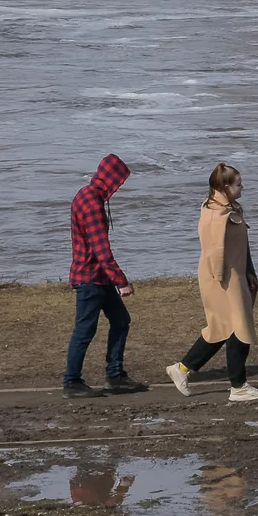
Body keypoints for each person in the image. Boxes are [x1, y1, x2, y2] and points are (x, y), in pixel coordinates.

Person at [167, 163, 258, 403]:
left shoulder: (230, 208)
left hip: (235, 274)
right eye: (239, 183)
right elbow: (214, 252)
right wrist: (223, 281)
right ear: (226, 186)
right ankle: (238, 386)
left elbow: (243, 243)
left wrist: (249, 271)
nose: (243, 187)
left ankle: (181, 369)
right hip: (220, 278)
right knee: (237, 327)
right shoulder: (214, 214)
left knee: (222, 328)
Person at [62, 154, 146, 398]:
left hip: (98, 277)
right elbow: (101, 250)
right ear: (110, 179)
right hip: (90, 278)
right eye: (119, 182)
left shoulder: (87, 194)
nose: (119, 187)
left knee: (121, 320)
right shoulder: (92, 203)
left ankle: (116, 376)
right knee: (84, 331)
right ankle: (71, 382)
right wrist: (122, 281)